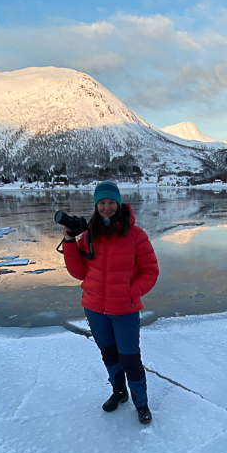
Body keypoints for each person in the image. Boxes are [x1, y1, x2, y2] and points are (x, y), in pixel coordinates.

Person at [62, 180, 159, 424]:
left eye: (111, 202)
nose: (106, 207)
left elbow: (150, 272)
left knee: (130, 358)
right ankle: (119, 392)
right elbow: (79, 272)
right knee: (109, 355)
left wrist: (130, 293)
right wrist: (69, 242)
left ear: (119, 204)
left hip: (124, 309)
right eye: (101, 203)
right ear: (96, 206)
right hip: (94, 309)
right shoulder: (88, 235)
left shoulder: (136, 235)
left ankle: (141, 403)